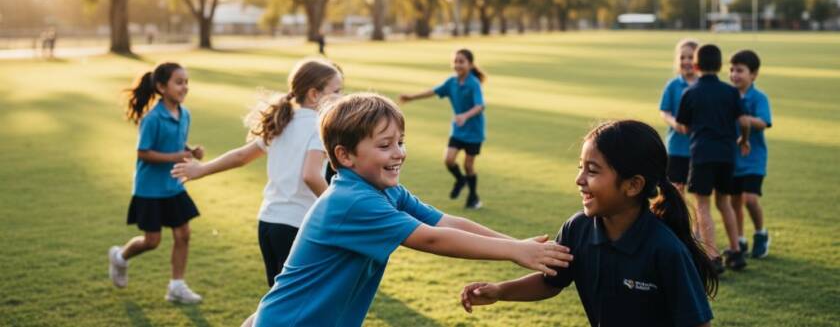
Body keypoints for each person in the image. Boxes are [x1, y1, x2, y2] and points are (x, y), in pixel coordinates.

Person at [250, 93, 573, 327]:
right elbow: (432, 239)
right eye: (384, 145)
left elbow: (448, 222)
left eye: (400, 142)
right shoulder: (353, 202)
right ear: (345, 156)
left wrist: (520, 245)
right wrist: (514, 251)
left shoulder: (384, 191)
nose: (399, 153)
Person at [460, 120, 718, 327]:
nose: (579, 179)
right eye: (580, 167)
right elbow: (551, 282)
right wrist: (499, 291)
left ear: (633, 185)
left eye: (592, 171)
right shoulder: (578, 229)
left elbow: (697, 322)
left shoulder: (665, 250)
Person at [171, 58, 343, 287]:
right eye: (337, 91)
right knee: (297, 302)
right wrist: (340, 206)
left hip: (269, 223)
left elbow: (241, 156)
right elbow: (311, 175)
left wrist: (202, 169)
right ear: (314, 94)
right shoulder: (318, 126)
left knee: (279, 301)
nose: (341, 98)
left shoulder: (283, 121)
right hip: (296, 226)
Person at [107, 62, 205, 303]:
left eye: (186, 82)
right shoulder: (151, 119)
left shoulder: (185, 114)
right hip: (149, 189)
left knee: (183, 234)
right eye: (179, 82)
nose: (185, 87)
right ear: (162, 87)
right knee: (152, 241)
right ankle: (120, 257)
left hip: (173, 186)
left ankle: (176, 286)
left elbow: (178, 142)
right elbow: (143, 152)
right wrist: (175, 156)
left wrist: (191, 150)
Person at [676, 44, 751, 273]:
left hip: (702, 155)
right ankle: (736, 251)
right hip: (726, 155)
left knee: (703, 205)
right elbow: (745, 122)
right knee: (724, 203)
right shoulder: (731, 92)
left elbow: (683, 125)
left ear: (696, 65)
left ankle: (712, 257)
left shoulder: (690, 92)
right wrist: (743, 140)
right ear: (720, 66)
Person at [400, 49, 486, 208]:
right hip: (458, 130)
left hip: (474, 131)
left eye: (462, 61)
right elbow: (432, 91)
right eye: (455, 61)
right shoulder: (451, 82)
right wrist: (411, 97)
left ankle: (473, 197)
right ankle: (460, 180)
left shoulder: (474, 83)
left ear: (470, 64)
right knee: (448, 160)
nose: (458, 65)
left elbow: (480, 106)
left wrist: (464, 116)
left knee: (468, 166)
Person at [728, 50, 772, 258]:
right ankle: (739, 239)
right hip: (731, 158)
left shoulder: (759, 97)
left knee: (750, 199)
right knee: (734, 201)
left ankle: (761, 233)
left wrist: (744, 119)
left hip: (753, 159)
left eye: (740, 70)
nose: (734, 74)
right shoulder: (727, 95)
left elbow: (763, 122)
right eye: (731, 70)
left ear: (753, 74)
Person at [659, 39, 699, 193]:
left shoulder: (703, 85)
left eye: (691, 57)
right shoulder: (673, 85)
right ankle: (678, 218)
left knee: (698, 193)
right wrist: (675, 124)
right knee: (676, 190)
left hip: (699, 148)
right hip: (676, 147)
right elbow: (664, 111)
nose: (686, 61)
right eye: (682, 57)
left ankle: (697, 219)